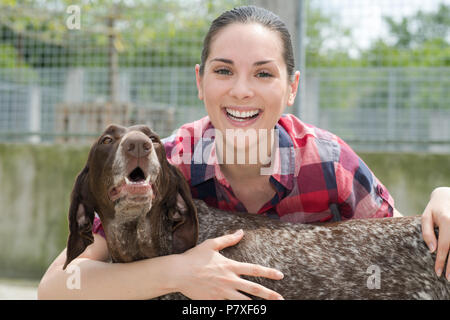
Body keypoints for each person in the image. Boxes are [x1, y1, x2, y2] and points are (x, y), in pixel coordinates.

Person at [38, 6, 450, 300]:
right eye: (223, 71)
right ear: (200, 82)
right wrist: (179, 272)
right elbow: (58, 287)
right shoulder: (166, 161)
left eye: (264, 73)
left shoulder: (329, 161)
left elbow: (407, 247)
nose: (241, 90)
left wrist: (442, 198)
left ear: (292, 88)